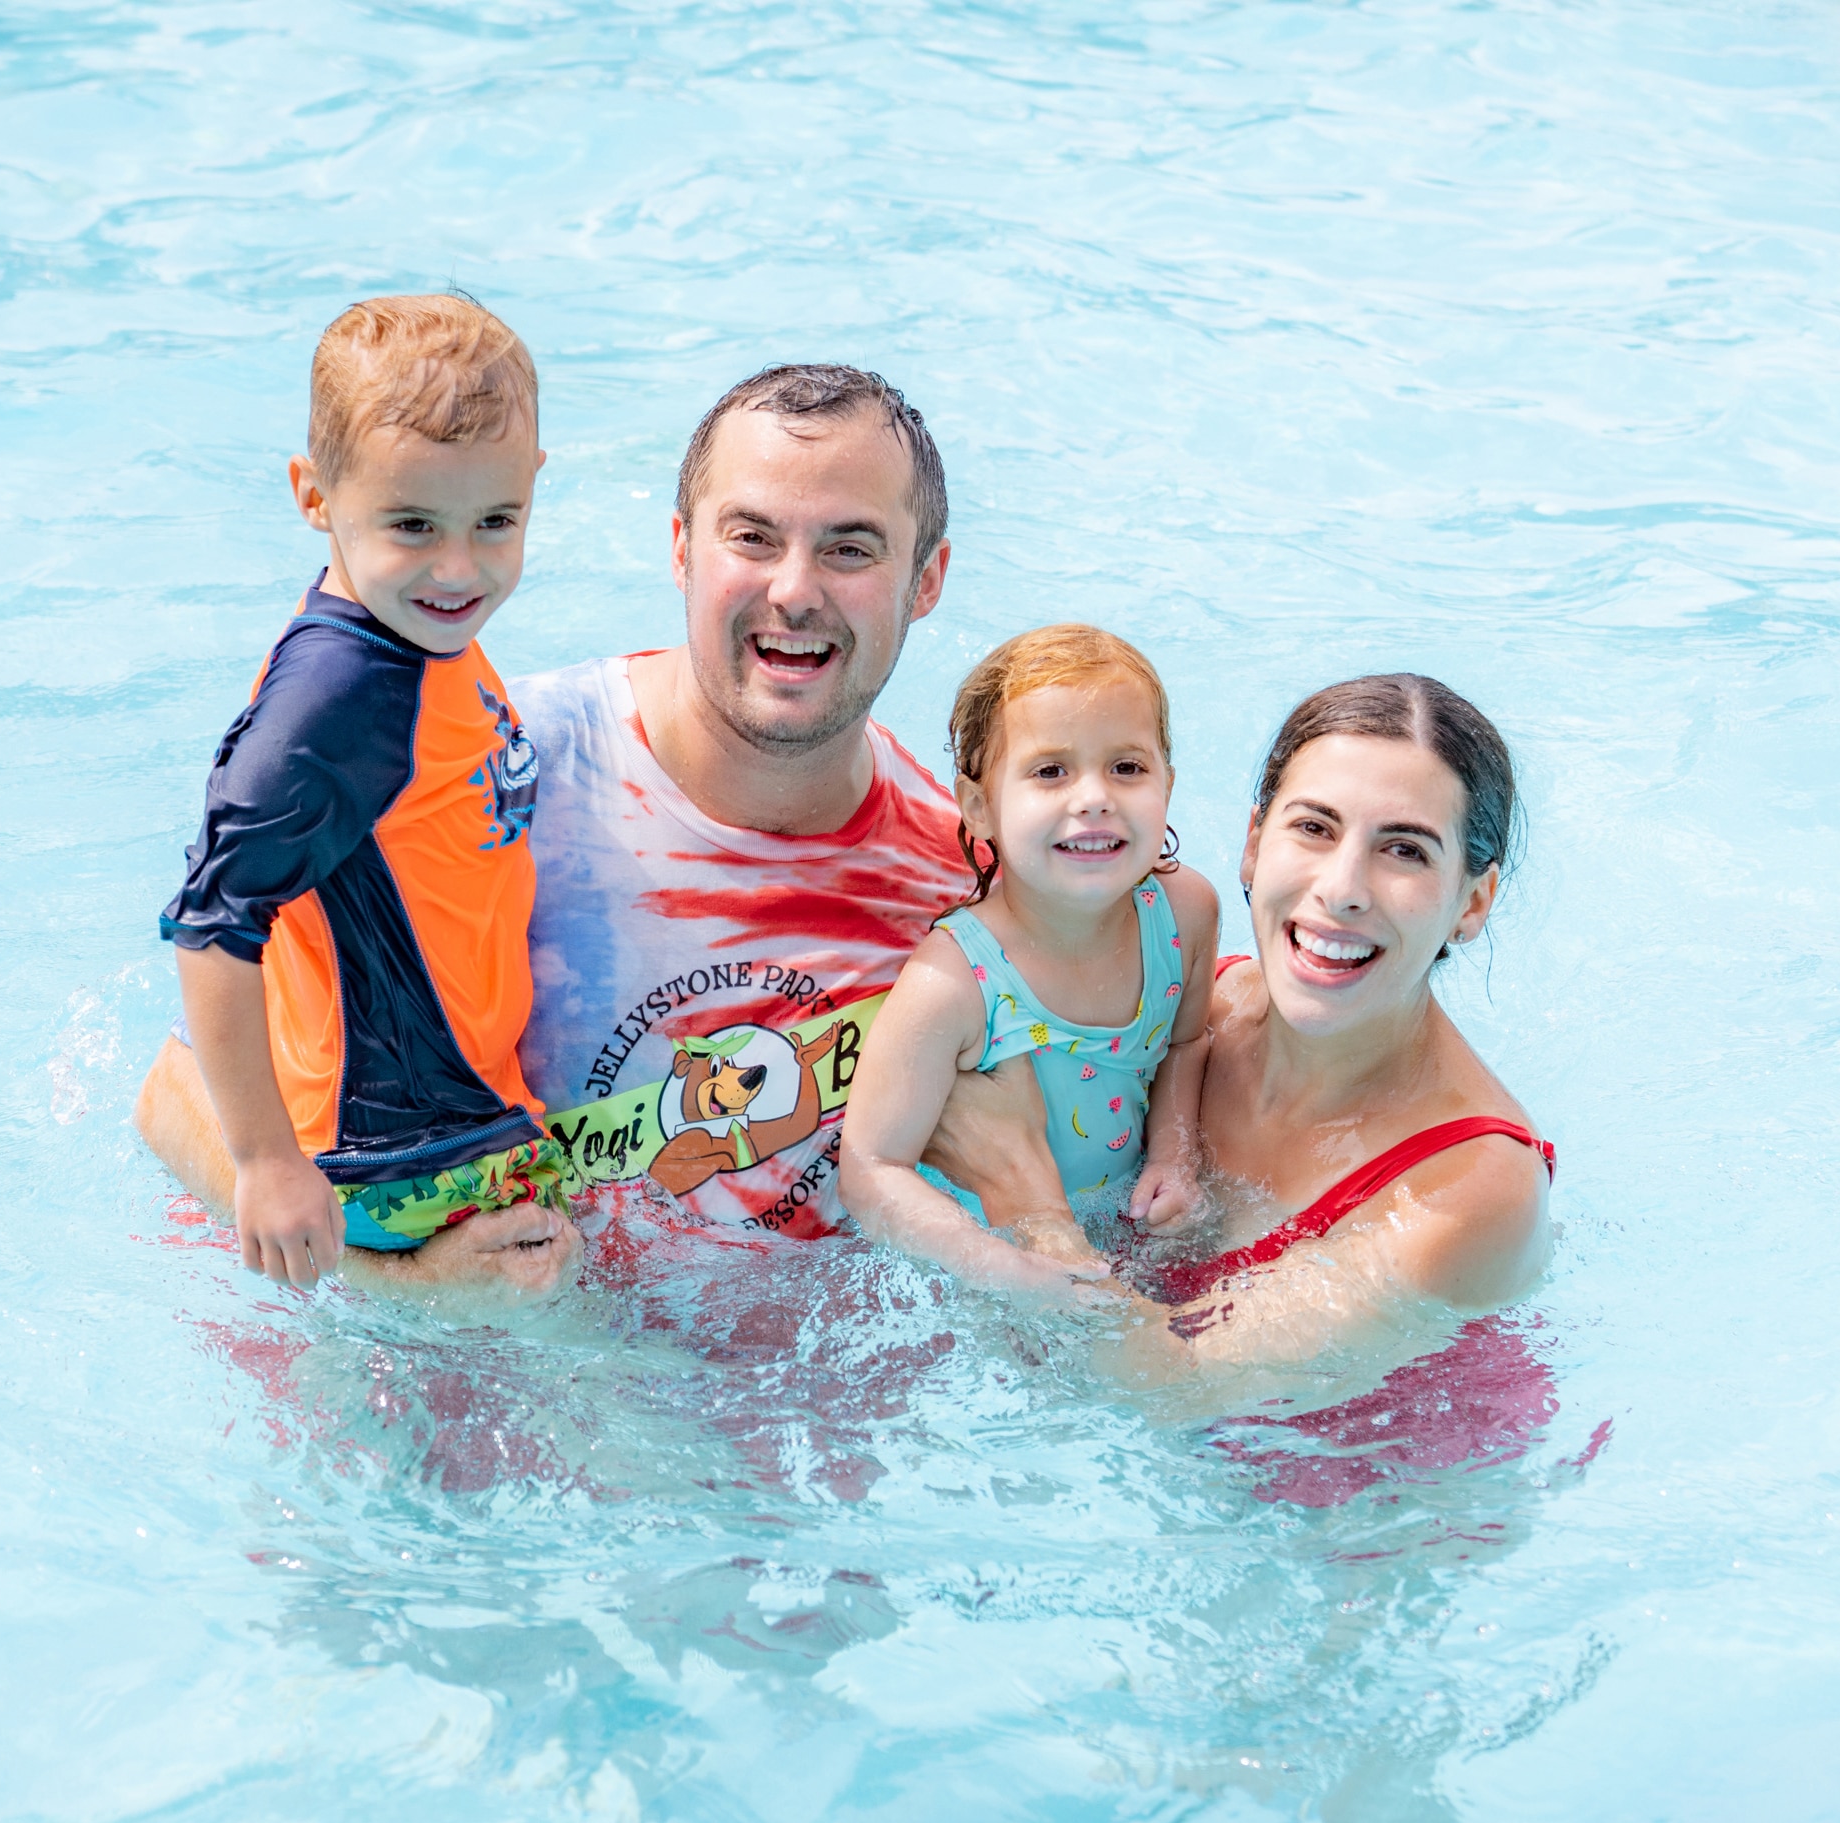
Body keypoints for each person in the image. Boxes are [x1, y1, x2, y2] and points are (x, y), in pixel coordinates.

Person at [922, 674, 1555, 1391]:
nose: (1342, 887)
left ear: (1473, 902)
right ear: (1253, 843)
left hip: (1359, 1492)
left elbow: (1176, 1391)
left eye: (1404, 850)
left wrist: (1022, 1197)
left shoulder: (1470, 1189)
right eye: (1313, 828)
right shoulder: (1188, 1009)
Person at [133, 293, 582, 1299]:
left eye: (496, 520)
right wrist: (263, 1163)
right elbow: (213, 922)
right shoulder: (339, 700)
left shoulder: (419, 628)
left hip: (454, 1107)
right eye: (413, 524)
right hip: (406, 1155)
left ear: (532, 485)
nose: (459, 567)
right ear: (314, 494)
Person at [505, 364, 978, 1243]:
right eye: (753, 537)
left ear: (925, 579)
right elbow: (193, 1089)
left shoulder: (960, 890)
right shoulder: (507, 774)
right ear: (682, 548)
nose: (795, 591)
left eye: (848, 548)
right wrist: (397, 1276)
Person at [839, 624, 1220, 1297]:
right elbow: (871, 1167)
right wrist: (1000, 1267)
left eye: (1127, 767)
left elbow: (1186, 1042)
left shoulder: (1183, 914)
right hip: (990, 1264)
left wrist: (1174, 1155)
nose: (1094, 796)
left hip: (1118, 1231)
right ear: (979, 807)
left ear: (1168, 783)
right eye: (1050, 771)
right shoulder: (952, 981)